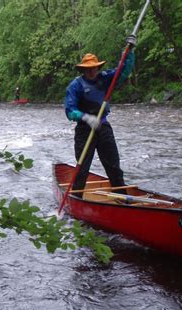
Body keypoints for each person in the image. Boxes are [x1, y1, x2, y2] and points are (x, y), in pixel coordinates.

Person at [64, 39, 135, 197]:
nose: (91, 71)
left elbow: (123, 71)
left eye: (94, 68)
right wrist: (86, 117)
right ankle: (76, 198)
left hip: (103, 127)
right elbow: (69, 111)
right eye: (88, 69)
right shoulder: (75, 86)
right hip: (84, 130)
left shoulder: (105, 78)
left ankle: (122, 197)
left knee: (114, 166)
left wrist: (129, 53)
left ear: (97, 67)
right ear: (83, 70)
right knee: (82, 168)